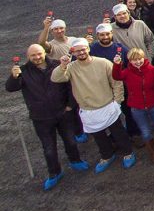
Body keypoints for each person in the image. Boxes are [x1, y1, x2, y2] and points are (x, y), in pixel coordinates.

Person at [6, 45, 88, 190]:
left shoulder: (57, 65)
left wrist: (71, 104)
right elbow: (11, 88)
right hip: (41, 117)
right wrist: (13, 77)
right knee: (48, 147)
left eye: (39, 54)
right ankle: (54, 172)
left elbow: (70, 85)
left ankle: (75, 160)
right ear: (28, 56)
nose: (37, 58)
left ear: (44, 53)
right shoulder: (23, 71)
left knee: (70, 139)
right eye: (33, 56)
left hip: (62, 112)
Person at [51, 38, 136, 172]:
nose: (81, 53)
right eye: (77, 51)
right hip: (88, 109)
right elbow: (56, 78)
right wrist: (62, 65)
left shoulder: (103, 63)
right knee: (98, 136)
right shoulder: (71, 68)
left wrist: (118, 101)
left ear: (88, 49)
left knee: (118, 132)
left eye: (83, 49)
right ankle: (107, 155)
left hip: (108, 105)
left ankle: (128, 152)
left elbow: (116, 82)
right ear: (74, 52)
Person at [111, 48, 154, 163]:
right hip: (137, 108)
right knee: (146, 132)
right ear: (129, 61)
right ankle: (153, 153)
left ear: (144, 58)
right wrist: (117, 65)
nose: (137, 62)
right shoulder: (127, 72)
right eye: (134, 60)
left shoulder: (152, 70)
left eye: (139, 59)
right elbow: (117, 76)